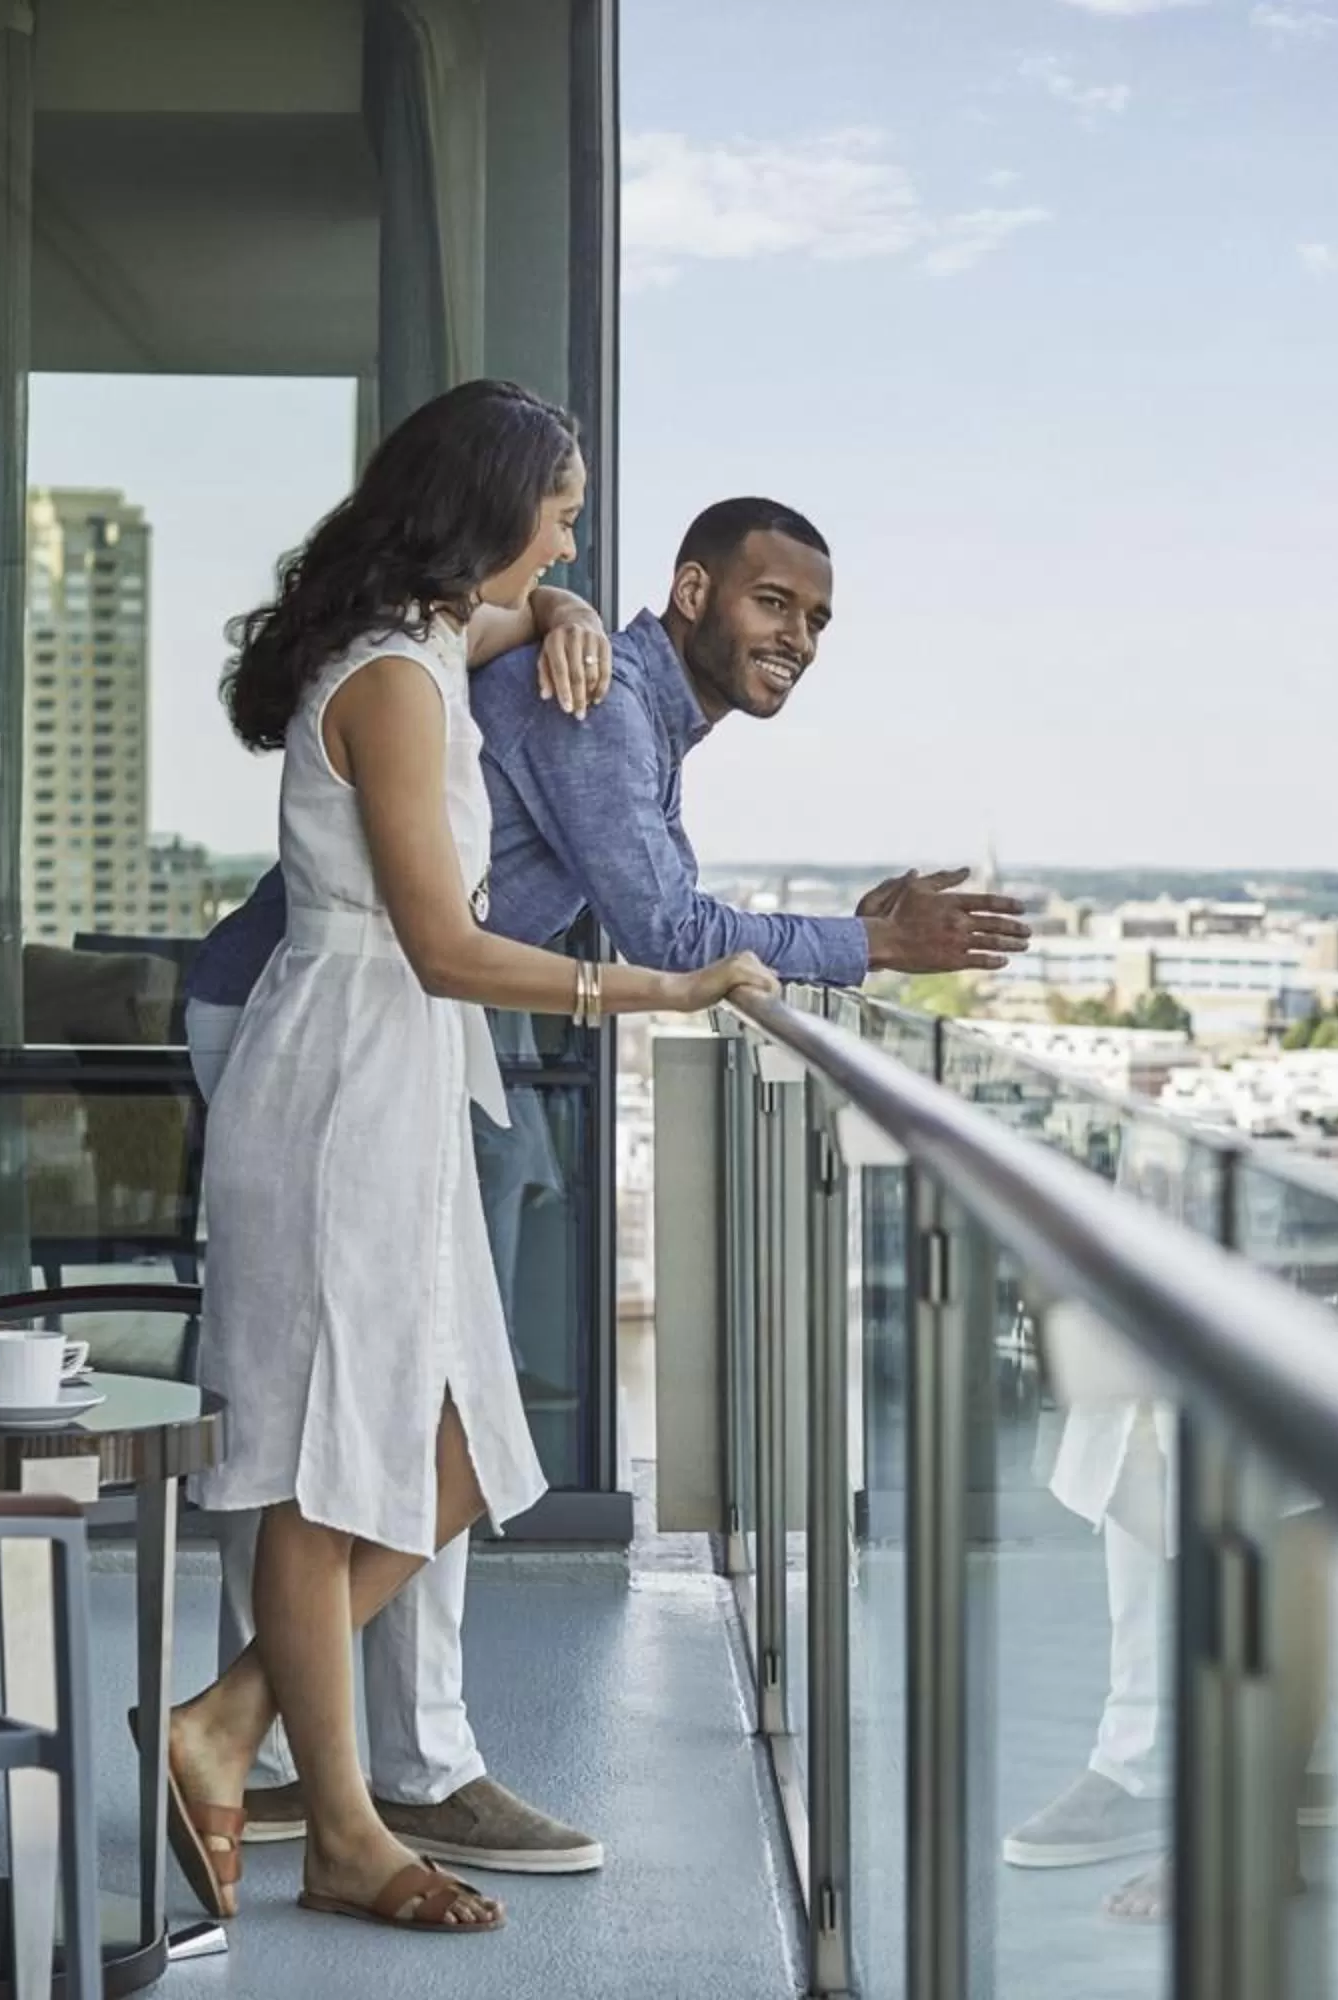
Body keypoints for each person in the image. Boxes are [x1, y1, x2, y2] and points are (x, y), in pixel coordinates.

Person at [181, 494, 1030, 1875]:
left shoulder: (613, 687)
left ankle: (293, 1744)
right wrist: (868, 949)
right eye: (773, 603)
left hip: (413, 1025)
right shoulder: (600, 704)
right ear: (692, 591)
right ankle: (368, 1759)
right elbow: (670, 926)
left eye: (816, 619)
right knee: (346, 1415)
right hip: (336, 1026)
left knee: (392, 1417)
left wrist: (837, 931)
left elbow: (644, 884)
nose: (799, 638)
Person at [164, 378, 777, 1938]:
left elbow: (505, 626)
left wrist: (561, 600)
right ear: (489, 506)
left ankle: (229, 1728)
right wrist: (658, 986)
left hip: (393, 1088)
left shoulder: (431, 646)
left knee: (464, 1446)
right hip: (341, 1080)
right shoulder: (391, 683)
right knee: (326, 1467)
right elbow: (443, 945)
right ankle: (349, 1829)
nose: (574, 532)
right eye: (560, 510)